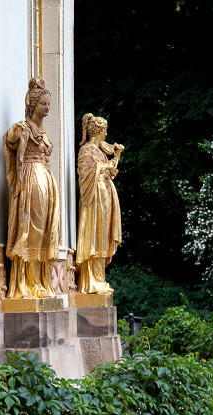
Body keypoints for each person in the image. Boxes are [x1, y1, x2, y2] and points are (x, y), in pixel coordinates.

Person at [3, 77, 60, 298]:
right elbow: (10, 140)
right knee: (32, 229)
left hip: (46, 181)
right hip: (31, 181)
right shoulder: (23, 127)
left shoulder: (43, 133)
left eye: (48, 104)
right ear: (32, 105)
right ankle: (26, 283)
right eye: (43, 104)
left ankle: (41, 282)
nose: (46, 108)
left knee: (47, 230)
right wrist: (16, 134)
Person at [76, 113, 122, 294]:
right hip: (93, 197)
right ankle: (91, 280)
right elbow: (86, 173)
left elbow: (110, 170)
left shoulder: (100, 152)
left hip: (105, 197)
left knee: (102, 236)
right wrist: (106, 167)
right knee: (94, 236)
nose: (107, 135)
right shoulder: (86, 150)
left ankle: (99, 278)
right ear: (100, 131)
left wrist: (116, 156)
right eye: (105, 131)